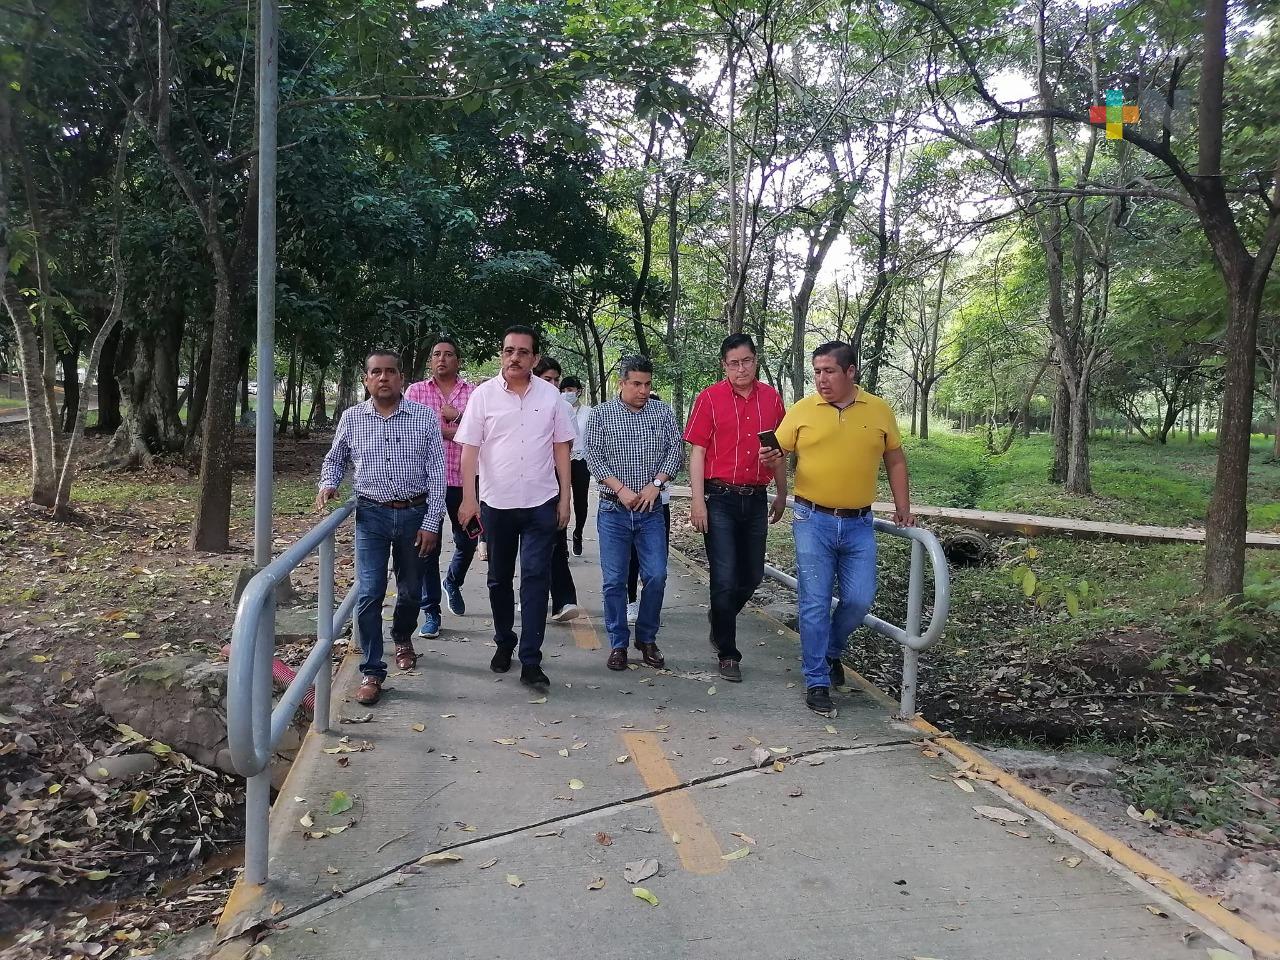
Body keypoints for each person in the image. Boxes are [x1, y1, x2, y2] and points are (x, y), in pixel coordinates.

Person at [761, 341, 913, 717]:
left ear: (850, 372)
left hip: (859, 523)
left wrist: (903, 507)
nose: (822, 379)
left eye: (829, 371)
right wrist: (770, 462)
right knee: (814, 601)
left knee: (860, 599)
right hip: (813, 520)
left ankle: (831, 651)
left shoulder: (878, 410)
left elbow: (894, 459)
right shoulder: (802, 410)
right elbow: (775, 455)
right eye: (817, 371)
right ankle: (816, 680)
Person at [316, 350, 446, 706]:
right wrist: (329, 483)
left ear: (401, 378)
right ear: (366, 379)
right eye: (376, 372)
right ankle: (373, 670)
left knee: (410, 592)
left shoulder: (423, 417)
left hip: (415, 515)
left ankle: (402, 637)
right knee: (371, 591)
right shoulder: (353, 417)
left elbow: (437, 474)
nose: (384, 378)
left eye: (390, 372)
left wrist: (432, 522)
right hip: (370, 516)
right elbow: (336, 457)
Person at [456, 326, 575, 691]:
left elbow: (561, 449)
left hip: (541, 504)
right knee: (498, 580)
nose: (515, 357)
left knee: (536, 580)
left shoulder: (551, 396)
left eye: (523, 352)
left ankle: (531, 660)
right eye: (509, 350)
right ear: (501, 354)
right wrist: (468, 497)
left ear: (534, 358)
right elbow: (470, 450)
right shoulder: (484, 396)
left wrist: (565, 498)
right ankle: (504, 641)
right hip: (497, 505)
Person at [684, 334, 787, 683]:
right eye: (733, 363)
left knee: (753, 575)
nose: (740, 369)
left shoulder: (772, 399)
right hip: (720, 498)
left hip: (756, 498)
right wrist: (698, 501)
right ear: (723, 365)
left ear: (755, 360)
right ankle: (728, 651)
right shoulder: (709, 399)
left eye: (746, 361)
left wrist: (782, 493)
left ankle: (720, 615)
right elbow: (697, 453)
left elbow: (778, 453)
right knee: (725, 576)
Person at [585, 356, 683, 671]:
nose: (643, 390)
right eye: (636, 384)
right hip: (614, 509)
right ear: (622, 383)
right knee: (614, 581)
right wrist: (621, 489)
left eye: (647, 384)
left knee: (656, 574)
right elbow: (593, 456)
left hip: (651, 509)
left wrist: (656, 484)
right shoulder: (601, 415)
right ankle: (618, 643)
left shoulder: (662, 412)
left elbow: (675, 450)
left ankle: (647, 637)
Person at [405, 336, 476, 638]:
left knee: (469, 540)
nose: (442, 359)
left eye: (448, 354)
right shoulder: (416, 391)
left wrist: (456, 419)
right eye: (437, 354)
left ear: (458, 361)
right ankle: (431, 611)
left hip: (465, 481)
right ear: (431, 360)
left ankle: (453, 581)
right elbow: (410, 429)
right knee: (426, 548)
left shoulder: (474, 393)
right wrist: (451, 430)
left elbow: (482, 432)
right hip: (427, 482)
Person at [533, 357, 581, 622]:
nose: (552, 384)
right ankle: (532, 596)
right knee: (531, 547)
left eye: (556, 380)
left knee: (556, 541)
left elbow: (568, 447)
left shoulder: (562, 407)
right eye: (547, 379)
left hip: (551, 480)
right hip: (522, 485)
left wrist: (566, 495)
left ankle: (564, 600)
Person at [626, 391, 672, 624]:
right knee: (632, 558)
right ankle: (631, 600)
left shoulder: (664, 430)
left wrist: (657, 484)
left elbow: (673, 458)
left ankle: (650, 603)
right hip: (630, 506)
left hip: (658, 507)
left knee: (657, 562)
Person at [560, 375, 593, 556]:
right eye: (563, 391)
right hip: (562, 459)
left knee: (580, 502)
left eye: (570, 390)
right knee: (561, 500)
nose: (567, 394)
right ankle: (562, 540)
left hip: (581, 460)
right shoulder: (559, 409)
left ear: (578, 391)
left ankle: (578, 532)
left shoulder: (589, 412)